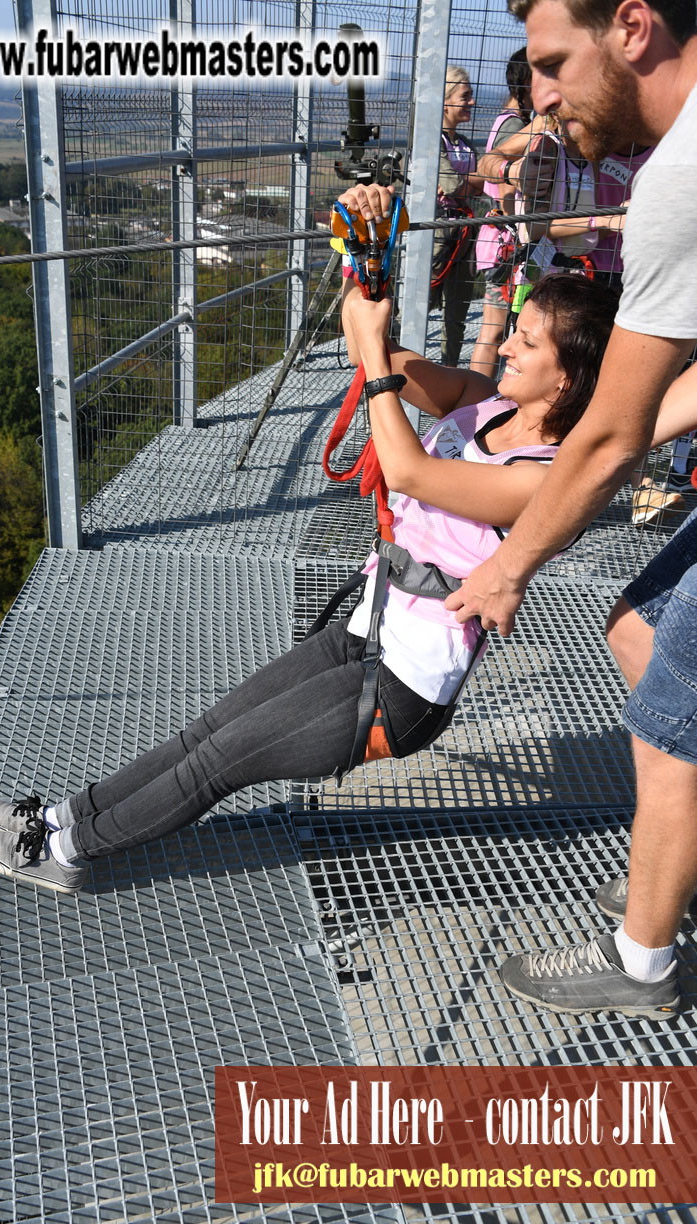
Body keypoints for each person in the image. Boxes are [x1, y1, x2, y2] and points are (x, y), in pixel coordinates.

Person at [0, 270, 618, 896]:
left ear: (567, 380)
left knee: (217, 763)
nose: (504, 343)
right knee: (201, 735)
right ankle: (58, 818)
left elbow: (410, 469)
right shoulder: (485, 404)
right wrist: (366, 278)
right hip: (364, 629)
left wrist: (373, 355)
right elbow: (377, 348)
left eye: (528, 342)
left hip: (405, 684)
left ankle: (63, 856)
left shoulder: (545, 478)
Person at [442, 0, 697, 1019]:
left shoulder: (681, 176)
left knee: (670, 726)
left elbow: (607, 441)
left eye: (552, 64)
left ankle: (644, 963)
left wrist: (506, 569)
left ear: (631, 26)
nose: (538, 96)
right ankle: (668, 870)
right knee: (637, 627)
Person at [470, 47, 534, 377]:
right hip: (505, 243)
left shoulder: (504, 121)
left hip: (495, 239)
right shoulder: (516, 128)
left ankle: (476, 400)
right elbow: (508, 192)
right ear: (525, 83)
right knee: (495, 329)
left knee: (492, 328)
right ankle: (478, 401)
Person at [432, 65, 486, 366]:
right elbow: (457, 185)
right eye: (465, 96)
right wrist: (470, 182)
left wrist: (463, 185)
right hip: (437, 237)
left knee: (457, 314)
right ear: (445, 101)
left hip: (464, 237)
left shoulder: (462, 145)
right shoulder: (432, 144)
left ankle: (448, 376)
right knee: (421, 302)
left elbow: (467, 187)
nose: (471, 102)